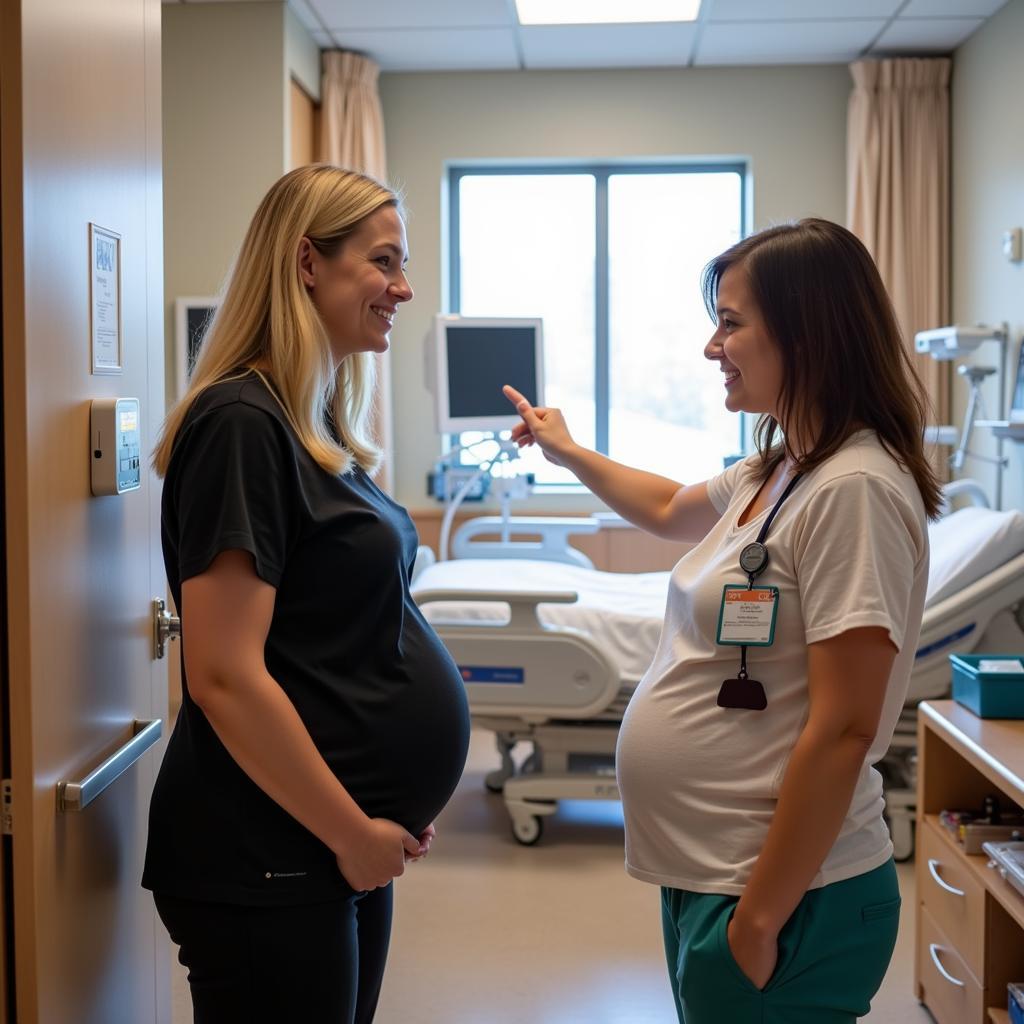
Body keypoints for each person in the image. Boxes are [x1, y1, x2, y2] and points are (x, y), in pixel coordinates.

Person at [504, 217, 940, 1024]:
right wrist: (564, 452)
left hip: (784, 893)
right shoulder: (783, 466)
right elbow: (668, 505)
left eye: (731, 323)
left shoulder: (855, 490)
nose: (712, 347)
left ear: (807, 334)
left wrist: (760, 920)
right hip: (724, 875)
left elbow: (846, 727)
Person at [144, 165, 471, 1024]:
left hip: (327, 841)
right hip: (268, 852)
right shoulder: (241, 425)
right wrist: (349, 829)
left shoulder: (308, 424)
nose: (404, 288)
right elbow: (223, 675)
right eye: (384, 261)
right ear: (306, 263)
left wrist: (374, 814)